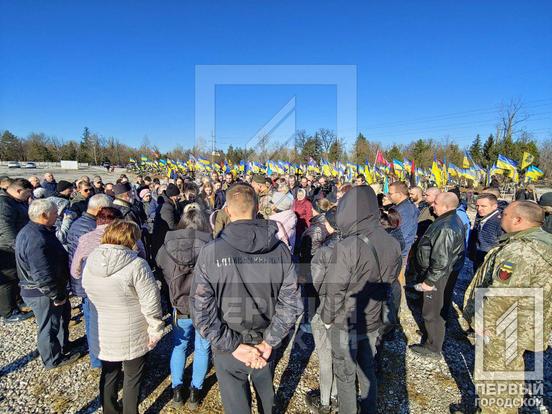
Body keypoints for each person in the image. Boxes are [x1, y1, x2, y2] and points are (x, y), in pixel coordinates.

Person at [190, 183, 303, 414]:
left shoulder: (211, 252)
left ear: (228, 212)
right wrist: (264, 341)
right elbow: (292, 302)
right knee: (265, 400)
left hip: (246, 344)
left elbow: (200, 310)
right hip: (248, 341)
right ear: (258, 207)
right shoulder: (280, 250)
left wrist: (266, 342)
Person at [463, 201, 552, 414]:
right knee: (510, 373)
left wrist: (484, 323)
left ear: (518, 220)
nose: (501, 216)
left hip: (506, 326)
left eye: (505, 214)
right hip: (526, 321)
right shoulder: (541, 242)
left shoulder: (520, 250)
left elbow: (503, 294)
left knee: (496, 377)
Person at [320, 185, 401, 414]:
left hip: (345, 322)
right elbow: (392, 278)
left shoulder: (346, 246)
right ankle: (369, 409)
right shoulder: (392, 242)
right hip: (373, 318)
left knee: (345, 374)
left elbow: (334, 289)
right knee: (367, 367)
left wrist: (326, 318)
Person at [82, 220, 164, 414]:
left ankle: (109, 409)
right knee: (133, 376)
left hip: (102, 327)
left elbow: (87, 289)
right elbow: (150, 302)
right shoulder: (137, 265)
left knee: (109, 372)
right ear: (130, 239)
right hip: (131, 329)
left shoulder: (91, 260)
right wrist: (155, 329)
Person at [155, 203, 212, 409]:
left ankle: (177, 390)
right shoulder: (211, 247)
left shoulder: (166, 247)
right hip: (205, 307)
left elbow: (160, 265)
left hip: (179, 305)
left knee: (179, 346)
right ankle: (195, 392)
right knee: (202, 348)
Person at [15, 199, 82, 368]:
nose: (57, 215)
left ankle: (63, 345)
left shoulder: (39, 231)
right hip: (42, 292)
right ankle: (52, 359)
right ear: (43, 215)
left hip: (52, 287)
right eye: (54, 213)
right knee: (48, 326)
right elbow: (41, 273)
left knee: (60, 319)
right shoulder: (36, 238)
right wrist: (55, 294)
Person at [408, 193, 465, 358]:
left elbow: (441, 259)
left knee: (432, 310)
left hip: (438, 275)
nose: (432, 205)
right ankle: (432, 333)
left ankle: (433, 346)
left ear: (447, 206)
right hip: (442, 273)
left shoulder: (446, 227)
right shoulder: (449, 219)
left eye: (436, 203)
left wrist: (429, 281)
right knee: (437, 306)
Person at [306, 207, 340, 413]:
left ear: (328, 225)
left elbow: (316, 282)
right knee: (340, 354)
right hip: (349, 309)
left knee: (326, 357)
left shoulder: (324, 251)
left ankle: (326, 402)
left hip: (325, 307)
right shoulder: (358, 244)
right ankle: (337, 395)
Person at [0, 178, 34, 323]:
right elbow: (6, 229)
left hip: (17, 245)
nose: (28, 197)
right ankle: (8, 312)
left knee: (16, 277)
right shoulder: (4, 204)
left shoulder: (16, 201)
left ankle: (18, 301)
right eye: (27, 194)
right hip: (6, 248)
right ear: (19, 190)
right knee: (8, 279)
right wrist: (19, 248)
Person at [468, 194, 503, 272]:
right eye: (477, 206)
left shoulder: (497, 222)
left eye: (483, 206)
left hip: (487, 263)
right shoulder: (484, 218)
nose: (479, 209)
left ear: (494, 206)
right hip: (480, 260)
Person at [152, 183, 181, 258]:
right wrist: (183, 227)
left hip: (166, 238)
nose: (179, 197)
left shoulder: (170, 203)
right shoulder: (166, 207)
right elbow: (171, 225)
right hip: (162, 238)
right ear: (173, 196)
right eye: (177, 195)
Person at [47, 180, 77, 247]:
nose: (72, 190)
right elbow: (61, 238)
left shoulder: (50, 198)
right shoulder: (63, 203)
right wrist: (67, 219)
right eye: (70, 189)